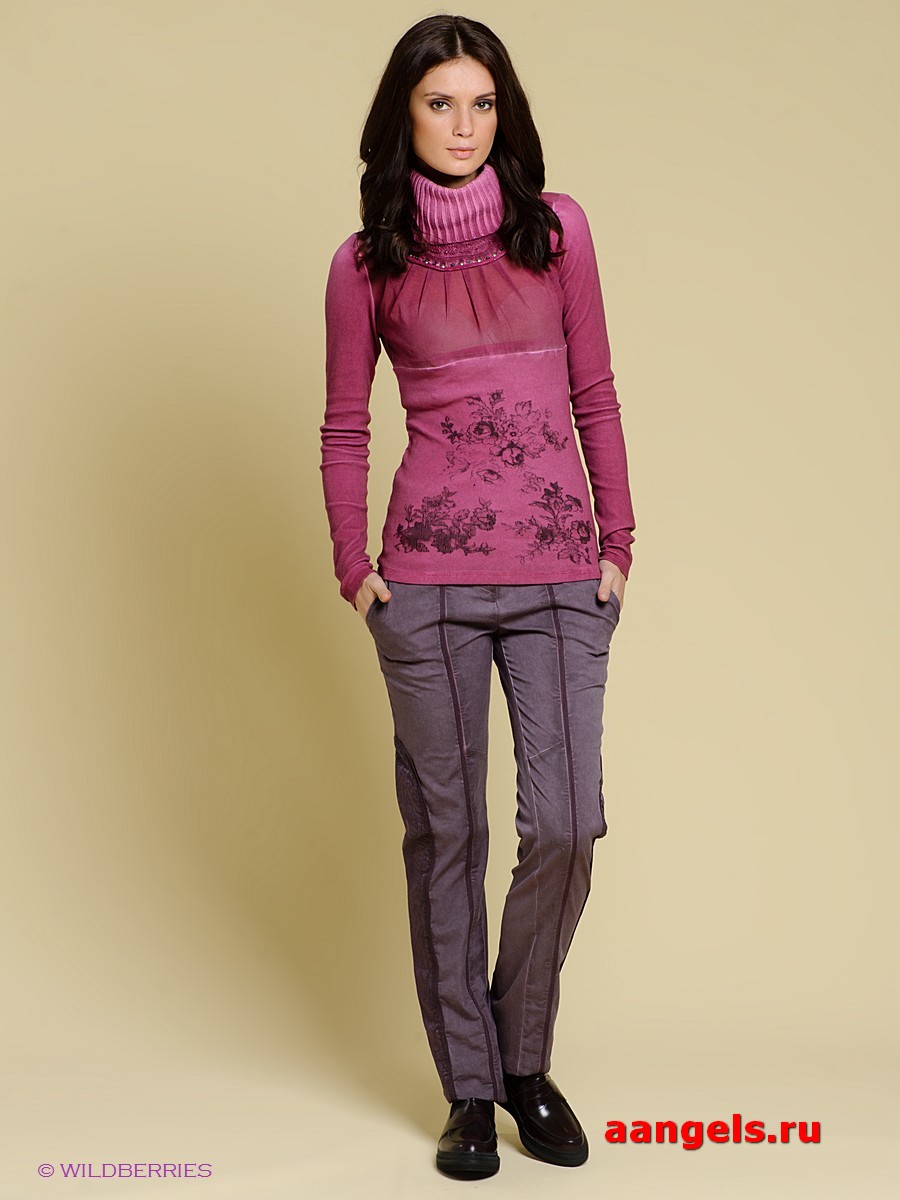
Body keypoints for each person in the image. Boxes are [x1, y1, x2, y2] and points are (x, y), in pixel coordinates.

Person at [319, 13, 636, 1179]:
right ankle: (470, 1090)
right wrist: (356, 570)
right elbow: (344, 425)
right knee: (447, 835)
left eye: (483, 104)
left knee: (566, 825)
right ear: (403, 116)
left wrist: (620, 538)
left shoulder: (560, 233)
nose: (464, 127)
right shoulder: (365, 265)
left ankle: (518, 1058)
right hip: (427, 588)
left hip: (559, 576)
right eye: (440, 103)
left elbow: (595, 389)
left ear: (507, 114)